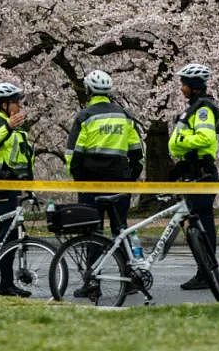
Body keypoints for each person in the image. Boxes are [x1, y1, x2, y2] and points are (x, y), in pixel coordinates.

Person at [65, 69, 144, 297]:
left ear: (88, 90)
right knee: (121, 229)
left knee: (93, 232)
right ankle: (131, 279)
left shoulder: (85, 116)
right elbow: (137, 152)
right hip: (120, 183)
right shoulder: (124, 115)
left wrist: (79, 179)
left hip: (91, 185)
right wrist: (129, 176)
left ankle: (93, 282)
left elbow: (73, 154)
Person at [169, 62, 219, 290]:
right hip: (192, 173)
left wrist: (181, 143)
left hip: (202, 173)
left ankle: (206, 272)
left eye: (184, 84)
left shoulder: (202, 109)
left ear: (193, 85)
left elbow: (206, 138)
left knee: (202, 223)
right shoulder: (192, 108)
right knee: (192, 224)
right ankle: (204, 270)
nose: (181, 88)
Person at [0, 81, 34, 297]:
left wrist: (29, 187)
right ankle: (1, 283)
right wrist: (8, 127)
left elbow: (24, 160)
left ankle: (3, 282)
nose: (19, 106)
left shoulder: (16, 128)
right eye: (15, 102)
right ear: (3, 105)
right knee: (6, 236)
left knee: (9, 235)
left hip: (12, 187)